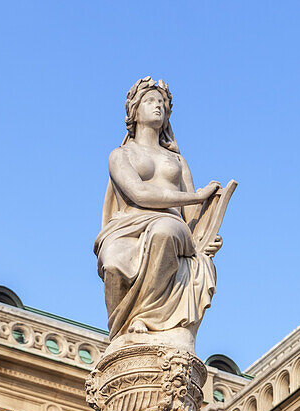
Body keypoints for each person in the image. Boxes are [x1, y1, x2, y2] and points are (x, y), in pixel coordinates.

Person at [94, 76, 222, 342]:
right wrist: (195, 197)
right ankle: (120, 329)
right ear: (134, 111)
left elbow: (193, 219)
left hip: (171, 226)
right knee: (114, 262)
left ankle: (146, 316)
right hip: (128, 225)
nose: (158, 106)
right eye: (150, 101)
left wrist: (208, 233)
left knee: (165, 230)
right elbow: (139, 193)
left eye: (162, 103)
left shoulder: (177, 160)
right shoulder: (120, 155)